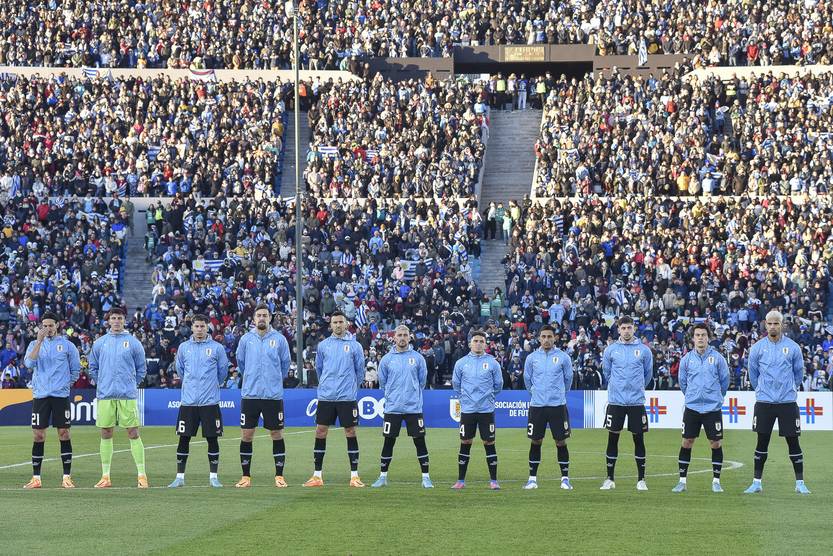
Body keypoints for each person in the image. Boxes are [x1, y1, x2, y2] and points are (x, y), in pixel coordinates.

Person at [744, 311, 811, 494]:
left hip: (787, 402)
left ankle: (800, 484)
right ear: (765, 325)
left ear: (782, 325)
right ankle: (756, 483)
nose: (773, 326)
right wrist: (761, 390)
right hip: (764, 402)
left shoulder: (793, 347)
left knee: (793, 442)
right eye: (770, 323)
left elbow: (799, 373)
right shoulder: (757, 348)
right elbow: (753, 374)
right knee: (761, 442)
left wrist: (789, 389)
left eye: (776, 323)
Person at [303, 311, 366, 487]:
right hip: (326, 397)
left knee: (350, 432)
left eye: (341, 322)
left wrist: (351, 387)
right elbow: (320, 369)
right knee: (320, 431)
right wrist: (327, 385)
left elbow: (359, 371)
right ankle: (317, 476)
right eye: (335, 322)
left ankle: (354, 476)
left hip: (347, 397)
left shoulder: (355, 346)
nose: (338, 325)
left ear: (346, 324)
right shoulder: (323, 346)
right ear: (330, 325)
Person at [88, 307, 148, 488]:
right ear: (108, 320)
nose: (116, 321)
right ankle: (105, 476)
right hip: (105, 395)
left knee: (133, 432)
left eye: (119, 318)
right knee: (106, 432)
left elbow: (141, 369)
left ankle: (142, 475)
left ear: (124, 320)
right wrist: (102, 384)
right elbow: (93, 367)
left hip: (127, 395)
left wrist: (130, 384)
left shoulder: (133, 342)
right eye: (113, 318)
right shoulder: (100, 343)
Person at [168, 314, 229, 489]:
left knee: (212, 439)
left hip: (210, 402)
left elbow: (222, 372)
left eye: (203, 326)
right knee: (184, 438)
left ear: (207, 327)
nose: (200, 329)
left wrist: (211, 386)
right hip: (188, 402)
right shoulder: (183, 347)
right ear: (192, 327)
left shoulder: (217, 348)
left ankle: (213, 477)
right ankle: (179, 477)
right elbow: (180, 370)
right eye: (197, 326)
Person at [234, 304, 291, 488]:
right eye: (258, 315)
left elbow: (285, 365)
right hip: (250, 394)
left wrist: (273, 381)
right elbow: (241, 363)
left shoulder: (280, 339)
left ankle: (279, 476)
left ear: (270, 317)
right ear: (253, 318)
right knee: (247, 435)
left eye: (265, 315)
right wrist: (251, 378)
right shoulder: (245, 339)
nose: (261, 318)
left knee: (276, 434)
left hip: (272, 396)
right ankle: (245, 477)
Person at [22, 312, 81, 489]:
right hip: (40, 396)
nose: (48, 329)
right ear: (41, 327)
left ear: (57, 325)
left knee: (64, 433)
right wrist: (39, 342)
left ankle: (66, 477)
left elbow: (76, 370)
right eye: (45, 326)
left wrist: (64, 386)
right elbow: (28, 364)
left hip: (60, 396)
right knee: (38, 435)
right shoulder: (34, 344)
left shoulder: (67, 345)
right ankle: (36, 479)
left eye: (51, 325)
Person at [371, 325, 433, 489]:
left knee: (420, 442)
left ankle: (426, 478)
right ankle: (383, 477)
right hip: (393, 408)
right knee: (388, 442)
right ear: (394, 337)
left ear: (409, 337)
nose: (402, 338)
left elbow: (422, 382)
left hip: (413, 408)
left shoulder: (418, 358)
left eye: (405, 335)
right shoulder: (386, 359)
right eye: (399, 335)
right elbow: (383, 383)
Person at [673, 323, 730, 493]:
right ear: (693, 338)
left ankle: (716, 481)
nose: (700, 338)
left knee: (715, 443)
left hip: (712, 408)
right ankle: (682, 481)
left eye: (703, 335)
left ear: (709, 338)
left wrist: (716, 397)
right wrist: (692, 396)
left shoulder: (718, 358)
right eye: (697, 335)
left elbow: (725, 380)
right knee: (687, 442)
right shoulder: (686, 359)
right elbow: (683, 383)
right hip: (692, 407)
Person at [600, 316, 653, 491]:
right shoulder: (611, 350)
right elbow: (607, 373)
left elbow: (647, 375)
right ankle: (609, 478)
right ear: (618, 329)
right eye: (623, 328)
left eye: (629, 327)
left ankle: (641, 480)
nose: (627, 331)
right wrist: (617, 388)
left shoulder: (644, 350)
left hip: (636, 402)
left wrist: (637, 389)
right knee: (612, 438)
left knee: (638, 439)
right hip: (616, 401)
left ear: (634, 329)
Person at [522, 325, 574, 490]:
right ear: (539, 338)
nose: (546, 339)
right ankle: (532, 479)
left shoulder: (563, 357)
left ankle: (565, 479)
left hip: (557, 405)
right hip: (537, 406)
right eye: (543, 336)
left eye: (549, 336)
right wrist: (535, 393)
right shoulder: (531, 358)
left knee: (561, 441)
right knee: (536, 441)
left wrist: (559, 394)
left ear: (555, 338)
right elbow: (527, 379)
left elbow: (568, 379)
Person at [451, 330, 503, 490]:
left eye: (481, 341)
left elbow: (498, 385)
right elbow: (456, 384)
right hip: (467, 410)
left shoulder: (493, 362)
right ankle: (460, 480)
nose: (478, 343)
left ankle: (494, 481)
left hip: (486, 410)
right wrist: (465, 398)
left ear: (486, 344)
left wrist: (489, 397)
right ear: (470, 343)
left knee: (489, 442)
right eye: (476, 341)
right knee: (465, 442)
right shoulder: (461, 363)